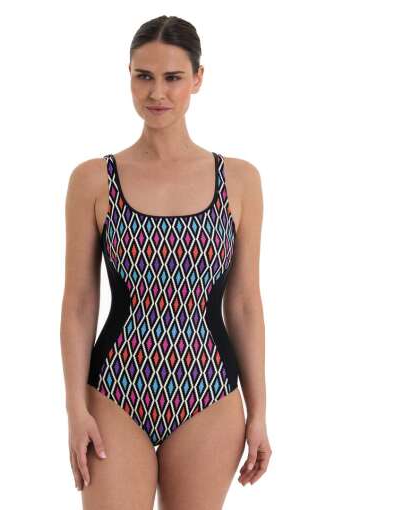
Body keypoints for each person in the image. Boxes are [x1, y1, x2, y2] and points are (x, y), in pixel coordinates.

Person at [60, 15, 271, 509]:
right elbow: (79, 302)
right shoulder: (94, 180)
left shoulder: (239, 180)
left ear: (197, 78)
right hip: (115, 390)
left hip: (209, 392)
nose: (157, 92)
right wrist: (74, 408)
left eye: (173, 77)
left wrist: (259, 412)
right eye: (144, 76)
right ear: (129, 76)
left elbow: (244, 303)